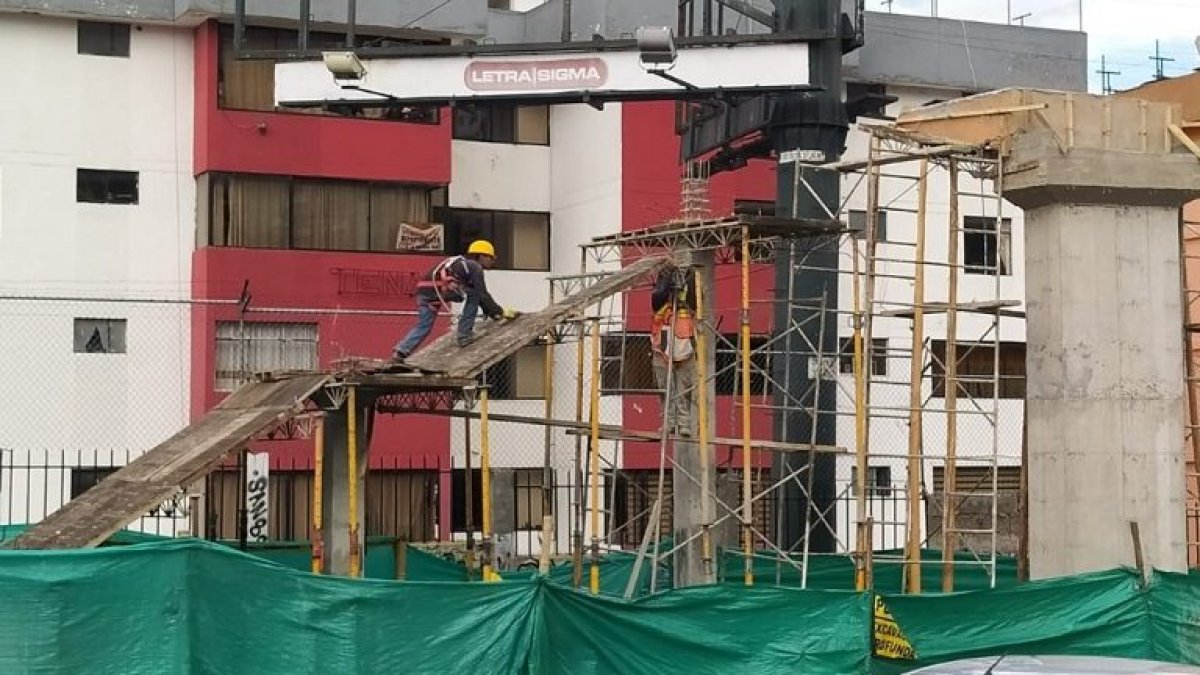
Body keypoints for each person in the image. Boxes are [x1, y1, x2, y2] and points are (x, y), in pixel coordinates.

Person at [393, 239, 518, 360]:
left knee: (424, 325)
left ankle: (400, 352)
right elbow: (482, 294)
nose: (492, 262)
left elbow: (481, 297)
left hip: (424, 291)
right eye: (491, 258)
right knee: (474, 294)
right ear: (481, 256)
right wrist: (500, 312)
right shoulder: (474, 267)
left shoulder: (459, 262)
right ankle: (464, 335)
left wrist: (492, 312)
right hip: (440, 290)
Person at [650, 265, 697, 437]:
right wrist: (667, 278)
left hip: (684, 347)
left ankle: (684, 423)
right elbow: (657, 298)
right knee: (664, 389)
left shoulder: (688, 300)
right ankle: (668, 423)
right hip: (662, 347)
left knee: (683, 389)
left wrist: (688, 279)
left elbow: (694, 300)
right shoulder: (660, 300)